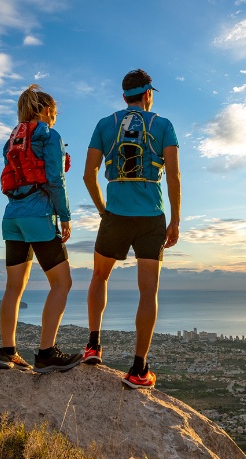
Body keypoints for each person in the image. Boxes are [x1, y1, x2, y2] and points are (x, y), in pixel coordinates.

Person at [83, 69, 181, 389]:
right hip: (151, 217)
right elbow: (174, 177)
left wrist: (103, 211)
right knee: (147, 291)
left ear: (124, 97)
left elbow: (89, 175)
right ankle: (139, 369)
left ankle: (93, 347)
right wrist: (175, 221)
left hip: (116, 214)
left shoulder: (104, 125)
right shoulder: (164, 126)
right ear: (148, 94)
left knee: (100, 276)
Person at [0, 84, 82, 373]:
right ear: (46, 110)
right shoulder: (50, 136)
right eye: (54, 112)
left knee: (13, 288)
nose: (54, 118)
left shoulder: (12, 142)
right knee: (62, 283)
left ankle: (8, 352)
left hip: (12, 217)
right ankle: (46, 353)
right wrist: (65, 216)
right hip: (38, 215)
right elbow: (55, 181)